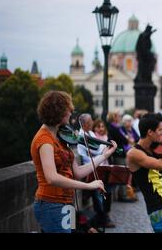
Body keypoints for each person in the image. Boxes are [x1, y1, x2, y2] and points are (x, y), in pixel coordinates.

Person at [31, 91, 117, 233]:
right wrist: (88, 186)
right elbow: (52, 178)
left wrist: (103, 156)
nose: (71, 114)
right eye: (69, 110)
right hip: (51, 204)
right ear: (59, 112)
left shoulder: (60, 137)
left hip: (66, 202)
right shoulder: (44, 140)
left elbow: (77, 172)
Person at [77, 114, 115, 229]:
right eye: (90, 122)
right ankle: (101, 218)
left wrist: (102, 151)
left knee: (107, 191)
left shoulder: (91, 134)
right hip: (90, 167)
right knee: (97, 194)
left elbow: (97, 148)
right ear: (84, 124)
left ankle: (103, 216)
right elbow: (88, 154)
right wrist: (102, 153)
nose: (92, 123)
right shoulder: (81, 136)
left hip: (99, 165)